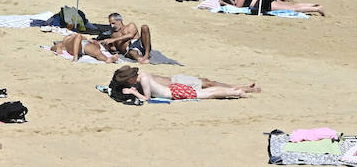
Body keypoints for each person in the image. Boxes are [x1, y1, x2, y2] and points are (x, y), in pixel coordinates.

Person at [108, 66, 258, 102]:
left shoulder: (142, 78)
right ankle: (240, 89)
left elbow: (146, 97)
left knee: (208, 85)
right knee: (208, 88)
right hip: (174, 87)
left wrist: (134, 93)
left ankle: (240, 89)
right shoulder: (140, 79)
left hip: (175, 84)